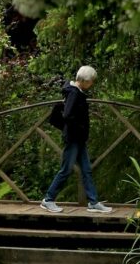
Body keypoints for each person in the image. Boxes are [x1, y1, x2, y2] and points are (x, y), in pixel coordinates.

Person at [41, 65, 113, 213]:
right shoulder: (74, 93)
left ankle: (93, 202)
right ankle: (48, 199)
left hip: (78, 139)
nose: (92, 84)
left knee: (86, 170)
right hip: (73, 138)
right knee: (66, 170)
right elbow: (67, 115)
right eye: (91, 81)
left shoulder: (76, 91)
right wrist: (77, 128)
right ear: (85, 81)